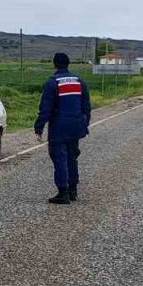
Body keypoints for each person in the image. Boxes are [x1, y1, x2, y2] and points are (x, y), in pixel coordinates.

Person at [34, 52, 92, 205]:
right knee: (72, 157)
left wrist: (39, 127)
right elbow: (87, 106)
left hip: (59, 127)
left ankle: (63, 192)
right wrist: (85, 124)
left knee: (60, 158)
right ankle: (73, 190)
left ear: (54, 64)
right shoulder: (80, 81)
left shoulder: (53, 83)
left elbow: (45, 108)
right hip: (76, 126)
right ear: (68, 64)